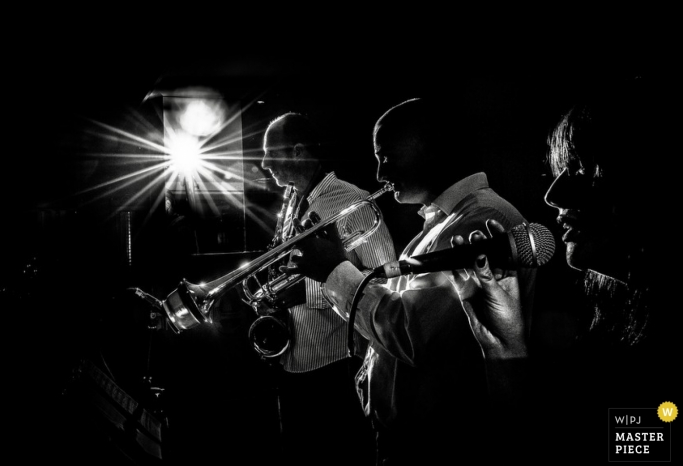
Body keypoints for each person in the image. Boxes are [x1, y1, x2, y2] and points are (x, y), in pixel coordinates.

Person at [288, 98, 538, 464]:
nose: (378, 174)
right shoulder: (439, 224)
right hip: (410, 440)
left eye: (386, 156)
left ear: (432, 148)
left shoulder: (482, 221)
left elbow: (414, 335)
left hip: (440, 448)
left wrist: (334, 272)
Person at [447, 77, 679, 461]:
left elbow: (620, 453)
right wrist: (504, 344)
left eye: (581, 170)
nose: (552, 195)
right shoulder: (618, 315)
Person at [259, 112, 397, 466]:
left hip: (336, 370)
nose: (263, 163)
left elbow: (383, 282)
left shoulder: (353, 202)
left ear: (298, 152)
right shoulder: (292, 202)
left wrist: (303, 294)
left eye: (270, 153)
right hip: (295, 364)